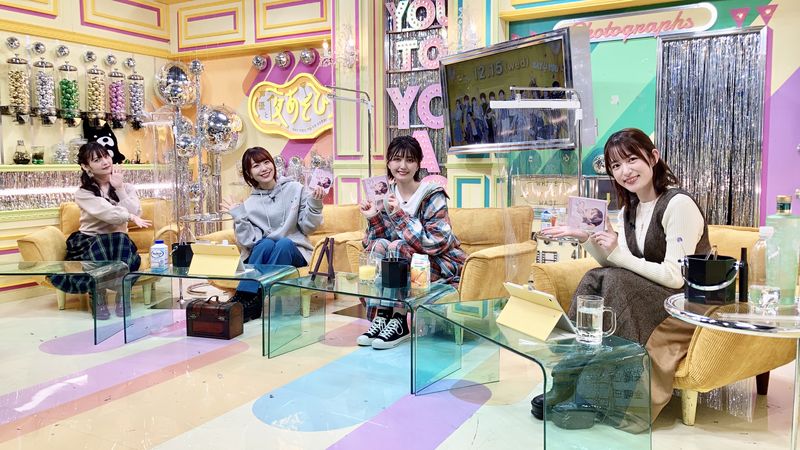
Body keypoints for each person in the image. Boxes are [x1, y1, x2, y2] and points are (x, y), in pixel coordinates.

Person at [539, 128, 710, 425]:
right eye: (616, 165)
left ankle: (597, 398)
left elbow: (675, 277)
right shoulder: (630, 209)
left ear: (653, 157)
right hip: (650, 294)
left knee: (615, 281)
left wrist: (618, 254)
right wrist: (586, 237)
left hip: (684, 304)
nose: (625, 171)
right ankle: (566, 381)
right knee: (596, 277)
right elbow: (617, 263)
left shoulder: (678, 204)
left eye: (632, 160)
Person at [357, 136, 467, 349]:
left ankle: (400, 320)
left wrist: (399, 214)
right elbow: (380, 241)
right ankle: (382, 316)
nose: (403, 166)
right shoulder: (385, 193)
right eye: (397, 159)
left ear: (418, 164)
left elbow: (436, 242)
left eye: (410, 160)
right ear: (389, 162)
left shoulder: (432, 194)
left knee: (397, 247)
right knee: (381, 246)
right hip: (401, 261)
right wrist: (374, 217)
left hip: (437, 263)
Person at [48, 142, 151, 319]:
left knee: (121, 240)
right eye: (97, 160)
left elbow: (136, 211)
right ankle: (98, 294)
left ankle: (122, 294)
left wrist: (120, 189)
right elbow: (109, 214)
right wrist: (130, 217)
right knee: (111, 241)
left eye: (106, 156)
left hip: (119, 244)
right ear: (86, 167)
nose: (105, 162)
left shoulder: (126, 187)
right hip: (90, 242)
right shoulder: (83, 193)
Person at [220, 147, 325, 321]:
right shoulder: (250, 204)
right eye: (256, 166)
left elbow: (308, 228)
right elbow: (249, 242)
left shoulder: (295, 189)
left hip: (295, 251)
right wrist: (239, 216)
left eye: (266, 162)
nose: (264, 168)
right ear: (249, 173)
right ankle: (249, 300)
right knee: (265, 243)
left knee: (284, 243)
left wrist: (315, 203)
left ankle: (250, 297)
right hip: (268, 253)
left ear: (273, 164)